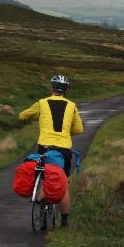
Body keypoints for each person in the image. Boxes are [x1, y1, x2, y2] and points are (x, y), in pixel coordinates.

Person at [17, 74, 83, 227]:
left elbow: (22, 115)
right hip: (63, 149)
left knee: (45, 177)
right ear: (66, 90)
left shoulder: (42, 103)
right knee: (63, 183)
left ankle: (42, 211)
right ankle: (65, 222)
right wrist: (65, 132)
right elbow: (79, 129)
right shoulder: (72, 106)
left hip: (44, 146)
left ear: (51, 88)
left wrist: (37, 118)